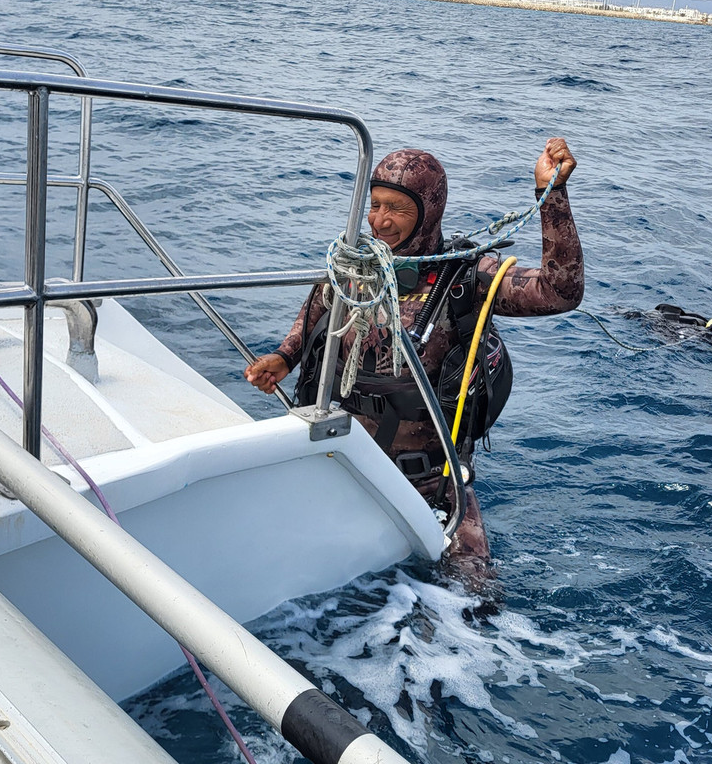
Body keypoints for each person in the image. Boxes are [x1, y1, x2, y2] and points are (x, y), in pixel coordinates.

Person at [245, 139, 583, 578]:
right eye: (375, 205)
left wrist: (550, 195)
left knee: (473, 596)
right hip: (342, 464)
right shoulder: (355, 263)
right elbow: (316, 314)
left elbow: (560, 292)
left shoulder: (467, 277)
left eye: (397, 209)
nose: (380, 221)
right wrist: (283, 358)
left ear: (429, 210)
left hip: (430, 487)